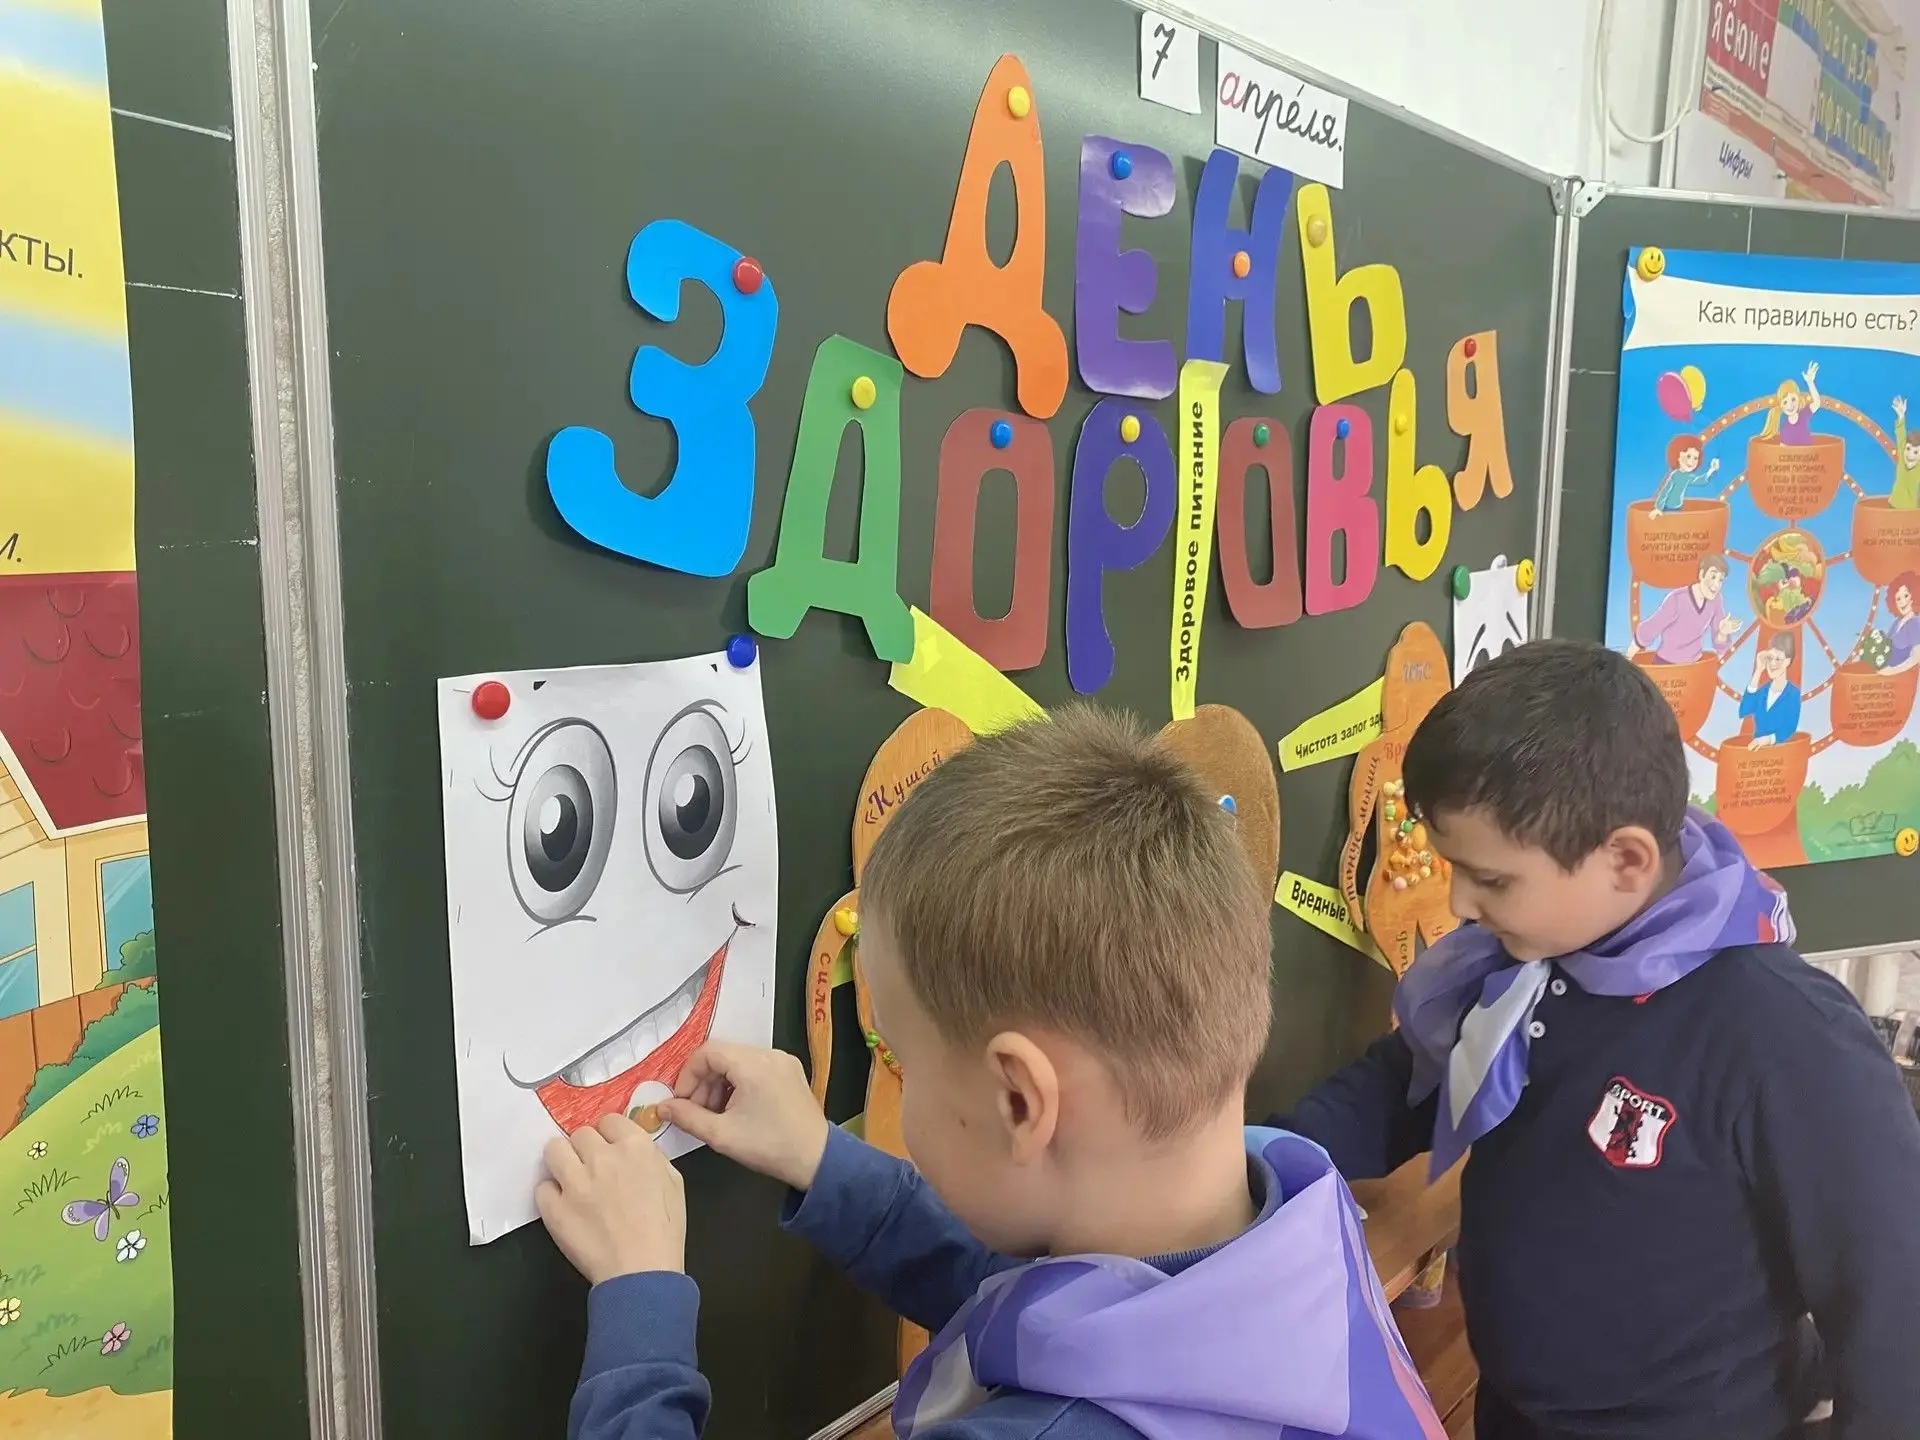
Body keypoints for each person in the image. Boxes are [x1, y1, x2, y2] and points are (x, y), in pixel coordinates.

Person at [538, 706, 1445, 1440]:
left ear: (1020, 1099)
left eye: (900, 1057)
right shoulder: (1289, 1207)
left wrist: (640, 1308)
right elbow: (1040, 1301)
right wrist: (819, 1156)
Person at [1275, 640, 1920, 1440]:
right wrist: (1261, 1163)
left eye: (1492, 879)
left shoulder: (1785, 1035)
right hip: (1518, 1412)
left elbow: (1894, 1299)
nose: (1462, 905)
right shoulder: (1520, 962)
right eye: (1453, 869)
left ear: (1625, 860)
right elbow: (1400, 1083)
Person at [1631, 551, 1741, 665]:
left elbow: (1719, 644)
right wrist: (1629, 656)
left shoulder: (1716, 600)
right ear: (1701, 574)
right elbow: (1651, 628)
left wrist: (1722, 633)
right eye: (1713, 577)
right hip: (1666, 665)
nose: (1716, 585)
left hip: (1694, 666)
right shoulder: (1677, 599)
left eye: (1720, 580)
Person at [1740, 632, 1802, 748]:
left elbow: (1789, 728)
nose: (1772, 664)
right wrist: (1758, 671)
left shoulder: (1793, 694)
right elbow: (1744, 710)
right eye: (1770, 658)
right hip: (1756, 753)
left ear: (1788, 661)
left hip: (1779, 753)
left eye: (1778, 659)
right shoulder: (1763, 691)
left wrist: (1768, 739)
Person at [1650, 434, 1718, 515]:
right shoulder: (1675, 475)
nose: (1692, 461)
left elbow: (1700, 480)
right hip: (1668, 508)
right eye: (1688, 456)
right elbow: (1665, 491)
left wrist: (1711, 469)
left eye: (1695, 458)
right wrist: (1658, 508)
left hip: (1678, 508)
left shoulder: (1688, 476)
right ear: (1677, 455)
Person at [1761, 363, 1821, 445]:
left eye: (1793, 399)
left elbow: (1817, 403)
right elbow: (1783, 448)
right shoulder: (1784, 428)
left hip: (1807, 452)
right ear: (1781, 406)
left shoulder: (1804, 414)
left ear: (1799, 399)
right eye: (1785, 402)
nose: (1790, 405)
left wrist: (1810, 382)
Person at [1885, 570, 1920, 674]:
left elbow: (1916, 658)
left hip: (1904, 677)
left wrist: (1892, 671)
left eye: (1906, 596)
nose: (1902, 602)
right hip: (1888, 676)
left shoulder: (1915, 624)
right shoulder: (1897, 622)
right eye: (1898, 599)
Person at [1888, 397, 1919, 509]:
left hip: (1910, 509)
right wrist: (1901, 415)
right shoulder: (1902, 453)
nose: (1910, 455)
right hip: (1894, 505)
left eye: (1916, 452)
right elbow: (1901, 434)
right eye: (1908, 449)